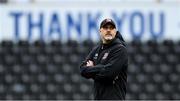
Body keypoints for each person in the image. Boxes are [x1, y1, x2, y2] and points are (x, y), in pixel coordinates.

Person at [79, 18, 128, 100]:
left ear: (115, 31)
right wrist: (102, 68)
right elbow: (83, 69)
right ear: (100, 31)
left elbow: (109, 74)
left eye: (111, 28)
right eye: (105, 28)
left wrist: (92, 69)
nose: (108, 30)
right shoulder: (97, 49)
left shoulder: (120, 49)